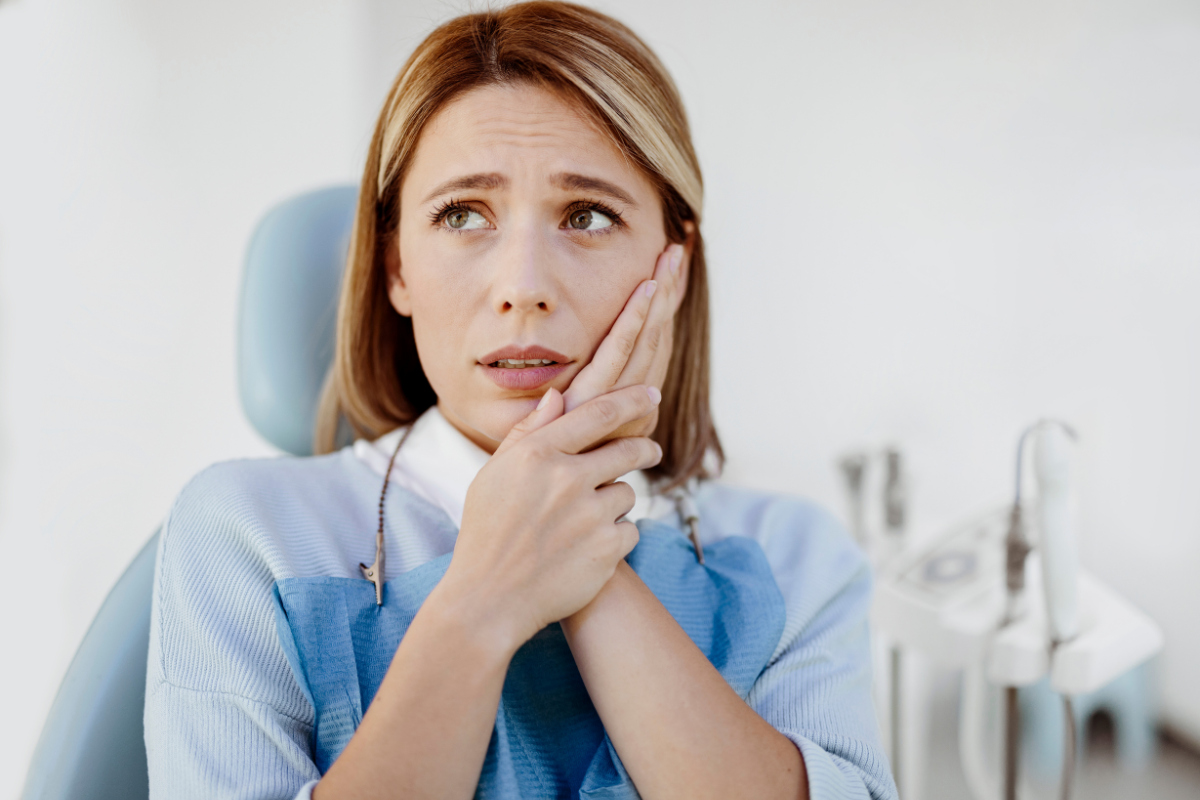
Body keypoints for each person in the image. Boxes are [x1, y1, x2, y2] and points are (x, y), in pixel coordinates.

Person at [144, 3, 897, 798]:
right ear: (397, 266)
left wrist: (577, 536)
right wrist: (487, 595)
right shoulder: (246, 534)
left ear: (672, 267)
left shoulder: (796, 557)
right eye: (464, 215)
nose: (525, 289)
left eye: (588, 216)